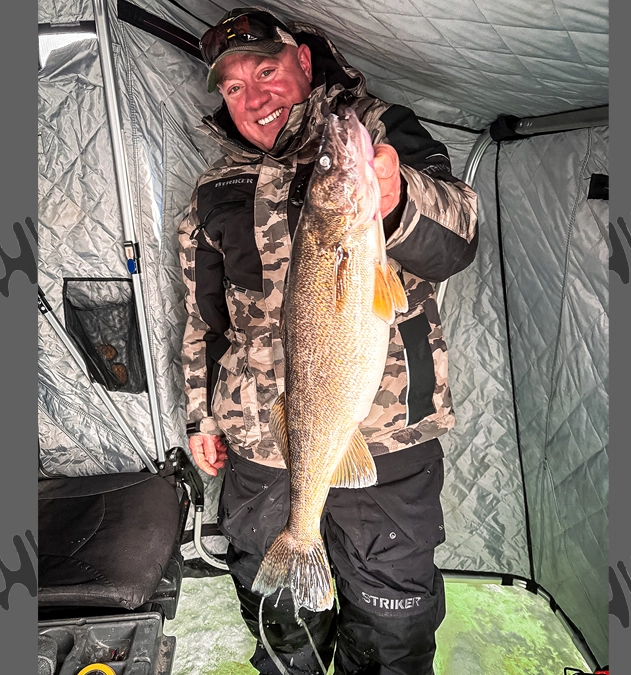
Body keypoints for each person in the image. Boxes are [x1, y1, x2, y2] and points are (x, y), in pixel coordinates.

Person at [178, 8, 478, 674]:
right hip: (260, 447)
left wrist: (399, 200)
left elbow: (460, 238)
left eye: (265, 70)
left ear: (304, 64)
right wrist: (201, 411)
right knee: (284, 633)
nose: (253, 97)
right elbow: (203, 318)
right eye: (232, 86)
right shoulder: (212, 191)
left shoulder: (381, 136)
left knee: (391, 628)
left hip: (386, 442)